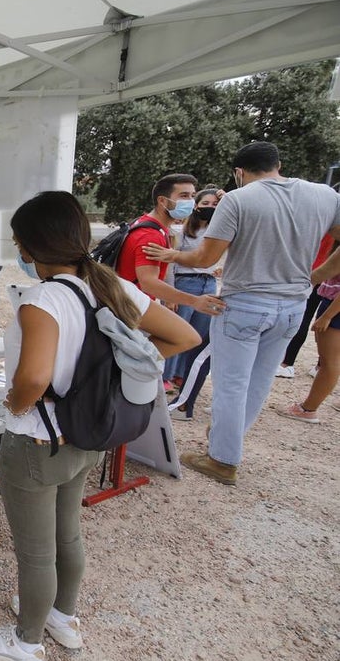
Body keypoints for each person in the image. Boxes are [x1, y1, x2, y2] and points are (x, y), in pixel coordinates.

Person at [0, 191, 197, 661]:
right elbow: (184, 336)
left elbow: (33, 378)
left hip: (37, 440)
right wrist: (114, 372)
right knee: (67, 532)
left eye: (19, 244)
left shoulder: (42, 300)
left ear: (33, 246)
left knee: (35, 552)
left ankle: (26, 644)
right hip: (87, 433)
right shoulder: (109, 284)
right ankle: (62, 617)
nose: (19, 253)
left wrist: (14, 405)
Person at [145, 141, 340, 484]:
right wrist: (317, 275)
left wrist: (172, 256)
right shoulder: (323, 195)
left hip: (246, 304)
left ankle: (222, 459)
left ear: (239, 172)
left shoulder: (238, 199)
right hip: (292, 306)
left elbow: (205, 258)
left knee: (231, 384)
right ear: (278, 164)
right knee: (259, 382)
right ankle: (227, 439)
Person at [114, 174, 226, 320]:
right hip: (132, 310)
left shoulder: (152, 226)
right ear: (162, 200)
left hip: (132, 305)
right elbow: (148, 283)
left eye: (192, 196)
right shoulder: (150, 235)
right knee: (186, 334)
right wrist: (194, 301)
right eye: (184, 196)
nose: (190, 201)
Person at [162, 188, 220, 395]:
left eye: (215, 204)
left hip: (209, 283)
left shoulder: (219, 233)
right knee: (177, 331)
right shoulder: (180, 232)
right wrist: (169, 294)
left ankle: (182, 374)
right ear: (196, 206)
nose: (210, 208)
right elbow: (170, 263)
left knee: (199, 334)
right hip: (185, 283)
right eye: (206, 203)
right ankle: (165, 376)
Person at [278, 248, 340, 423]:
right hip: (332, 302)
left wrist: (327, 316)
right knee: (331, 360)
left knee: (329, 361)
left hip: (335, 306)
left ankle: (308, 409)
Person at [275, 234, 335, 378]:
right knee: (327, 322)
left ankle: (287, 364)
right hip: (331, 277)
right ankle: (320, 366)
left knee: (305, 316)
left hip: (316, 270)